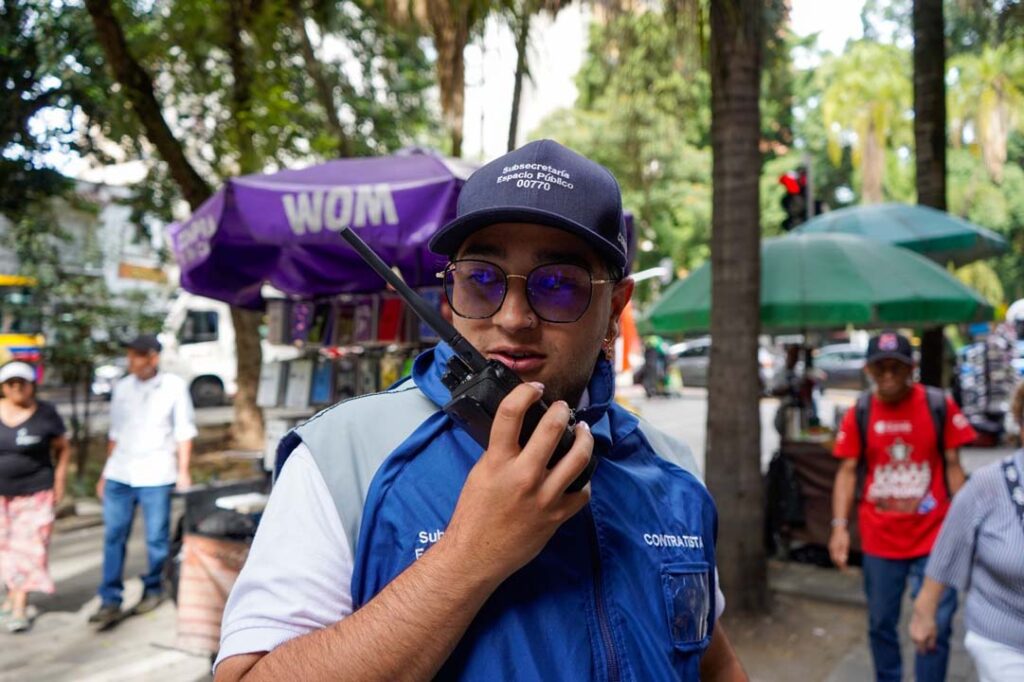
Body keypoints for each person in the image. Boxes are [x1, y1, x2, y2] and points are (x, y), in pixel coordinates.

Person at [214, 140, 746, 681]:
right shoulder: (345, 457)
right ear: (448, 299)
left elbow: (711, 660)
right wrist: (469, 555)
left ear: (614, 310)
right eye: (483, 279)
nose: (513, 318)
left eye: (559, 286)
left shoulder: (670, 469)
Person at [829, 330, 977, 681]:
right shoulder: (860, 412)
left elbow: (954, 467)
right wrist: (839, 527)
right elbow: (847, 472)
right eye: (881, 368)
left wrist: (965, 530)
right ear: (869, 370)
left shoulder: (938, 405)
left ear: (911, 368)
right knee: (881, 622)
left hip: (934, 538)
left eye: (897, 367)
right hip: (881, 541)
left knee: (937, 621)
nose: (889, 375)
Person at [909, 382, 1024, 681]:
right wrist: (926, 610)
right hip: (1004, 642)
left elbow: (951, 460)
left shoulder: (940, 408)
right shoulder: (990, 484)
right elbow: (950, 545)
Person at [89, 334, 197, 629]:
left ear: (153, 358)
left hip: (156, 473)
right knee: (114, 536)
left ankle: (153, 588)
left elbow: (184, 432)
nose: (132, 361)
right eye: (130, 355)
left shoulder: (173, 386)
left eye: (138, 355)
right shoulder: (123, 387)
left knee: (156, 539)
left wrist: (183, 470)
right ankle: (110, 598)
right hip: (120, 473)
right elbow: (115, 433)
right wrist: (104, 473)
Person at [0, 361, 69, 633]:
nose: (17, 388)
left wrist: (60, 482)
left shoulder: (45, 414)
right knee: (5, 548)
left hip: (36, 491)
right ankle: (10, 594)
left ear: (32, 386)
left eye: (22, 383)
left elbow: (63, 449)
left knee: (28, 549)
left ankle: (20, 604)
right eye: (10, 384)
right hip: (2, 495)